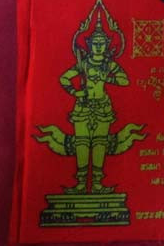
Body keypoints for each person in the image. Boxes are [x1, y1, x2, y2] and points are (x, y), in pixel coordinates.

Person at [59, 17, 129, 194]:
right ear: (89, 44)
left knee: (100, 143)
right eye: (95, 43)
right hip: (83, 107)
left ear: (107, 44)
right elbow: (64, 78)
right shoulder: (83, 63)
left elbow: (124, 80)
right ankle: (81, 184)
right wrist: (76, 92)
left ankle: (97, 183)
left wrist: (107, 78)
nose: (98, 46)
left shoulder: (109, 64)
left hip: (103, 107)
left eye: (101, 43)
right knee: (81, 143)